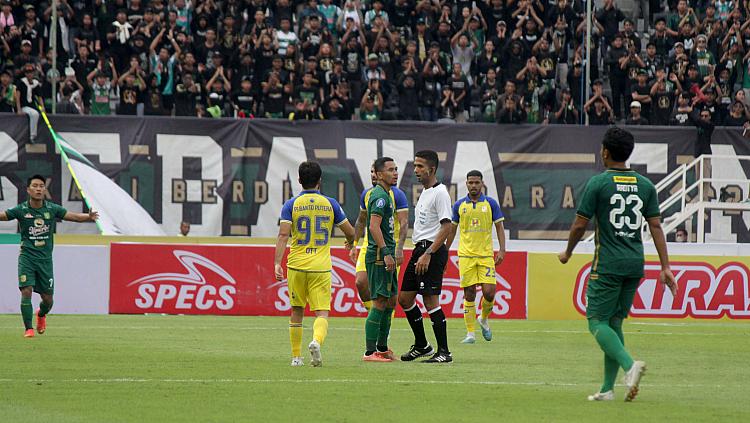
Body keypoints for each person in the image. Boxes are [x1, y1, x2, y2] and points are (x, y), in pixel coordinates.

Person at [558, 127, 677, 402]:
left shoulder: (598, 183)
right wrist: (666, 266)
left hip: (608, 264)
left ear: (606, 152)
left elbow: (579, 224)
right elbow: (656, 225)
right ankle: (607, 389)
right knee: (614, 322)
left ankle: (629, 365)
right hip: (635, 263)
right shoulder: (645, 185)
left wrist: (567, 252)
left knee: (596, 322)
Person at [274, 161, 355, 367]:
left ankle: (295, 357)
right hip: (320, 266)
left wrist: (277, 263)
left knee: (296, 310)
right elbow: (350, 231)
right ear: (320, 180)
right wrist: (351, 242)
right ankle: (316, 341)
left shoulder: (290, 204)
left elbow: (283, 235)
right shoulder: (331, 204)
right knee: (321, 312)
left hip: (296, 265)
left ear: (299, 180)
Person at [0, 175, 99, 337]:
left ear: (44, 190)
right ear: (28, 189)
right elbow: (3, 215)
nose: (38, 189)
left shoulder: (52, 209)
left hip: (45, 261)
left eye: (41, 186)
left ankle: (41, 314)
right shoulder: (21, 210)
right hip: (27, 258)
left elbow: (73, 216)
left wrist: (88, 217)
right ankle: (28, 329)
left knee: (48, 300)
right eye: (35, 186)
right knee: (26, 290)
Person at [399, 150, 453, 363]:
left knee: (431, 300)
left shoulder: (440, 193)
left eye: (420, 166)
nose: (416, 170)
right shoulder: (426, 191)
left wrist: (429, 254)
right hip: (419, 250)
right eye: (415, 166)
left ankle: (444, 352)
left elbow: (447, 226)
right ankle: (422, 345)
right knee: (404, 298)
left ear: (432, 169)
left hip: (430, 251)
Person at [445, 170, 506, 344]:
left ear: (482, 183)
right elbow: (452, 230)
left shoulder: (491, 204)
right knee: (469, 293)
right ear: (466, 184)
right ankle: (470, 333)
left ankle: (484, 319)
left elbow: (499, 228)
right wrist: (445, 252)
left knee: (489, 292)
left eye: (476, 182)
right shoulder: (459, 205)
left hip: (486, 255)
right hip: (465, 256)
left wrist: (502, 250)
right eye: (470, 182)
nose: (473, 185)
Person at [350, 165, 408, 314]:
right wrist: (354, 244)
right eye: (371, 172)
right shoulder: (367, 194)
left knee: (389, 296)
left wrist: (399, 248)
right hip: (369, 247)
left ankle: (383, 329)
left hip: (390, 247)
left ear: (381, 174)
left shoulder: (398, 195)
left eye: (375, 172)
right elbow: (361, 220)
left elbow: (404, 223)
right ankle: (374, 317)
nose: (373, 175)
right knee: (361, 282)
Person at [361, 157, 400, 362]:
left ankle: (382, 347)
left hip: (388, 253)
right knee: (379, 301)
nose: (395, 173)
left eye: (396, 169)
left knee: (391, 300)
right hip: (379, 255)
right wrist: (385, 252)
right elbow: (373, 227)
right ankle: (369, 352)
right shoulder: (380, 196)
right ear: (378, 174)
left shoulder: (387, 194)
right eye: (390, 170)